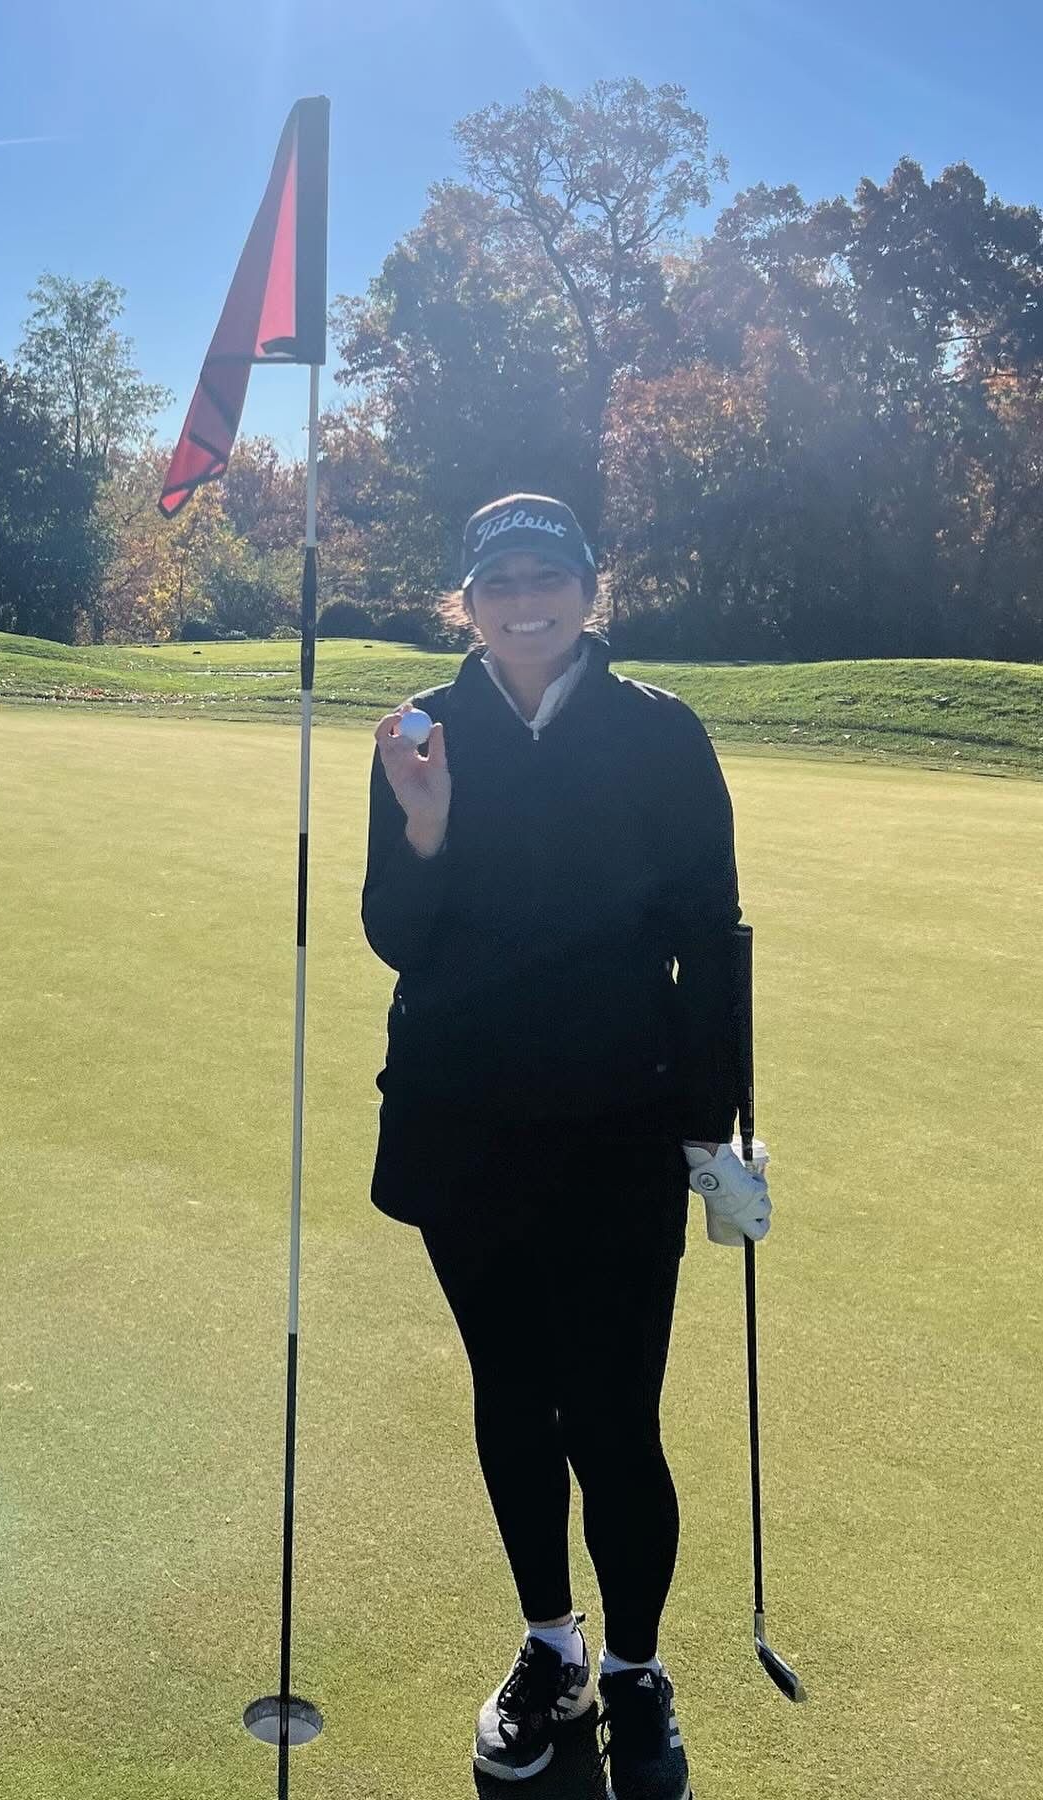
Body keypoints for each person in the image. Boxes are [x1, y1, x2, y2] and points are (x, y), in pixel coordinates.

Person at [361, 494, 773, 1799]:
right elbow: (393, 932)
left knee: (612, 1414)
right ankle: (554, 1646)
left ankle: (640, 1668)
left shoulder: (659, 733)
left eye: (550, 575)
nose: (524, 599)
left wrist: (716, 1138)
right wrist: (424, 824)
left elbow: (711, 936)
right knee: (512, 1402)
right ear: (463, 603)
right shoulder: (429, 730)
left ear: (593, 589)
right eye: (499, 581)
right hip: (464, 1125)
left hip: (616, 1125)